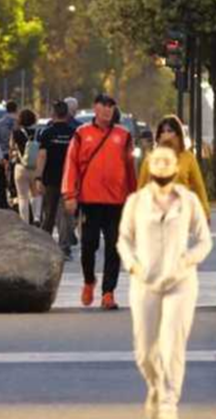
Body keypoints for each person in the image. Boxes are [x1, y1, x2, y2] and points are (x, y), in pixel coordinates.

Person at [118, 146, 212, 419]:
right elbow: (123, 239)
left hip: (180, 282)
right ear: (149, 165)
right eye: (156, 162)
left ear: (175, 167)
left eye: (166, 162)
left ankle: (169, 402)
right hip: (144, 282)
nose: (161, 167)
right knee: (145, 351)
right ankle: (155, 386)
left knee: (172, 344)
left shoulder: (188, 201)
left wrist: (188, 260)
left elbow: (205, 240)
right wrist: (132, 265)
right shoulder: (136, 202)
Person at [62, 93, 137, 310]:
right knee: (88, 245)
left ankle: (108, 293)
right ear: (95, 108)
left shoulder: (124, 136)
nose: (107, 110)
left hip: (117, 201)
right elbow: (71, 165)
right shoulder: (81, 134)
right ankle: (88, 281)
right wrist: (69, 194)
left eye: (111, 107)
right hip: (90, 200)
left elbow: (130, 170)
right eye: (103, 106)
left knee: (115, 247)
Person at [138, 115, 210, 219]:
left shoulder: (188, 157)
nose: (166, 135)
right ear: (158, 136)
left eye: (170, 131)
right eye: (163, 132)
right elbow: (141, 187)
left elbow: (199, 186)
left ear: (178, 134)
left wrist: (205, 211)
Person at [36, 100, 76, 260]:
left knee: (49, 213)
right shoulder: (74, 133)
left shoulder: (47, 133)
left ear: (53, 114)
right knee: (66, 215)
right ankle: (65, 249)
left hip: (50, 178)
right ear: (67, 115)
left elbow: (42, 156)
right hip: (69, 178)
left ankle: (45, 247)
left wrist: (38, 177)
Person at [10, 108, 42, 224]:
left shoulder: (16, 133)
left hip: (20, 167)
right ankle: (37, 217)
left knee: (22, 196)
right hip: (35, 167)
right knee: (36, 193)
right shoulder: (39, 133)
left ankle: (25, 222)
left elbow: (11, 149)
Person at [0, 101, 18, 209]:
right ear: (16, 109)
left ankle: (1, 204)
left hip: (1, 156)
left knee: (0, 181)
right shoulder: (19, 123)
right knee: (14, 182)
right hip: (15, 156)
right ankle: (16, 203)